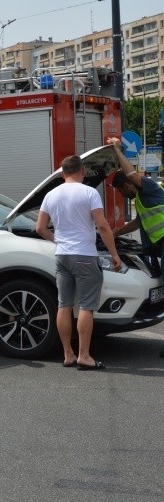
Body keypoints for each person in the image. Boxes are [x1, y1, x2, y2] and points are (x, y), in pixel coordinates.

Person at [35, 154, 122, 370]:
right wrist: (114, 254)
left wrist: (59, 240)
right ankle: (84, 355)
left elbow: (40, 228)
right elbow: (102, 225)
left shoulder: (51, 195)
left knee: (64, 304)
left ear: (62, 173)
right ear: (82, 171)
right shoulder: (89, 192)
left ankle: (68, 354)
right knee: (86, 306)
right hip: (85, 255)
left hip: (62, 256)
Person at [107, 136, 164, 281]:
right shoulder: (141, 199)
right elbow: (137, 222)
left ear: (127, 185)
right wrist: (115, 234)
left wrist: (117, 149)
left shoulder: (148, 186)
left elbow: (131, 175)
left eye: (121, 191)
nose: (122, 195)